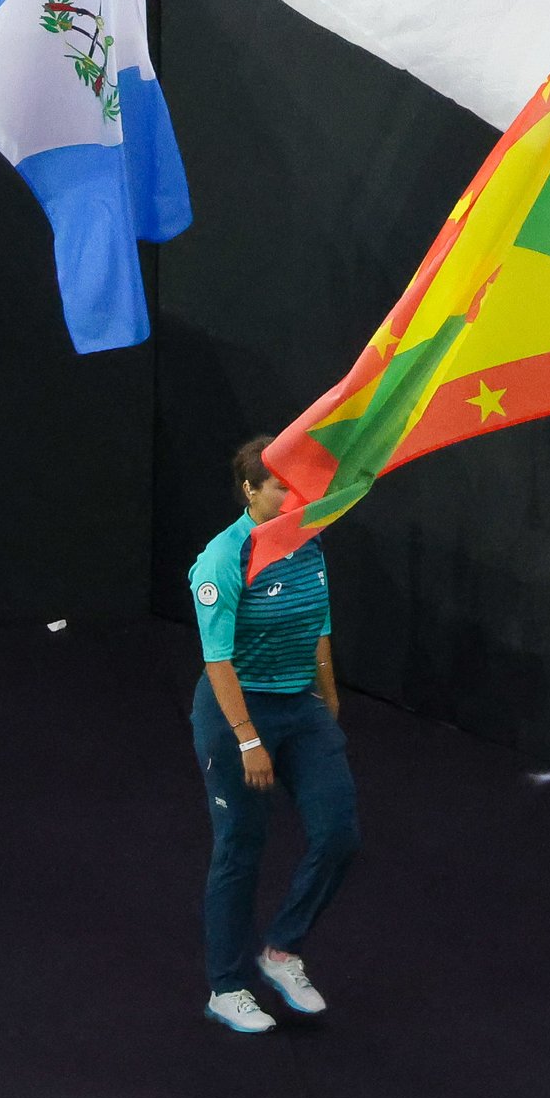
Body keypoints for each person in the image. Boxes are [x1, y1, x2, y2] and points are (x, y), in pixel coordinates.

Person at [186, 435, 357, 1035]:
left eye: (296, 483)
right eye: (280, 484)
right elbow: (218, 660)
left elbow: (319, 623)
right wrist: (248, 738)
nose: (293, 492)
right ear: (250, 490)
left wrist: (329, 695)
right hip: (239, 710)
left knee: (339, 834)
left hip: (300, 705)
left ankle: (282, 950)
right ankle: (227, 987)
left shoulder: (307, 539)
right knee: (241, 847)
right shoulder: (223, 558)